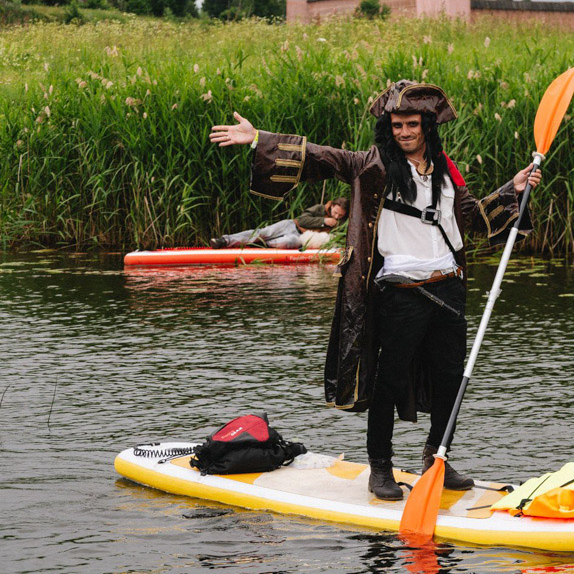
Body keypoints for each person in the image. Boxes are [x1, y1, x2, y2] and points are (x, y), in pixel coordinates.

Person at [209, 80, 541, 501]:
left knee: (449, 382)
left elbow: (472, 218)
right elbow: (322, 156)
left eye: (412, 124)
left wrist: (512, 189)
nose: (404, 132)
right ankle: (380, 468)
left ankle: (435, 458)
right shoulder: (373, 166)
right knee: (388, 381)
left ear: (427, 125)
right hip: (399, 293)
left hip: (449, 289)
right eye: (397, 124)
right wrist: (258, 139)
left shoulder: (446, 168)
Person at [210, 198, 348, 249]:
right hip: (290, 225)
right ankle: (225, 240)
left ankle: (257, 244)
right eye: (335, 212)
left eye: (339, 215)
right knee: (263, 233)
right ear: (332, 206)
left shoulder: (340, 225)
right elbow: (302, 219)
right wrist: (323, 221)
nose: (336, 216)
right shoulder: (319, 208)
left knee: (287, 242)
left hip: (299, 238)